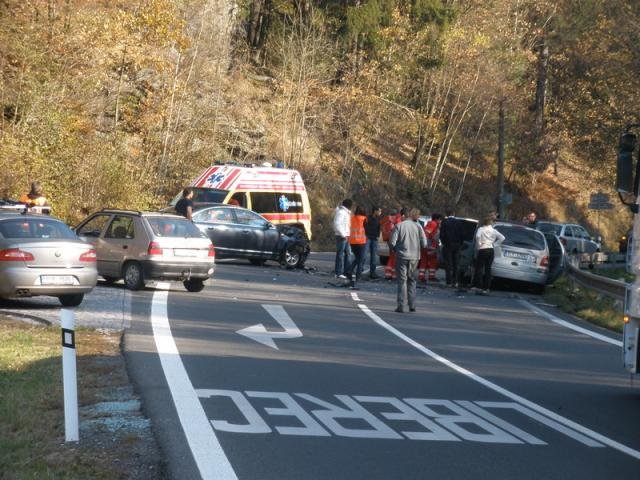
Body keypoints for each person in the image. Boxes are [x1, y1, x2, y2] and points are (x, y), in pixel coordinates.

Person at [389, 208, 427, 313]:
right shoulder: (418, 226)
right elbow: (424, 243)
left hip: (402, 256)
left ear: (403, 216)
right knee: (412, 280)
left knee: (402, 281)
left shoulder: (399, 226)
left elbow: (392, 242)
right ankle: (412, 305)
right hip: (415, 257)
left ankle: (400, 305)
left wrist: (396, 250)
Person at [473, 214, 505, 295]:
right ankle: (486, 287)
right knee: (488, 269)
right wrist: (495, 244)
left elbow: (477, 237)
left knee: (479, 268)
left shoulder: (481, 229)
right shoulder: (494, 230)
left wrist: (478, 245)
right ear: (491, 223)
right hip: (491, 249)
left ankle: (478, 286)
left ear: (484, 222)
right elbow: (502, 237)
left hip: (483, 248)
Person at [439, 208, 464, 287]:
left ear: (447, 214)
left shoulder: (445, 222)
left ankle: (449, 282)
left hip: (448, 245)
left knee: (448, 264)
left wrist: (443, 242)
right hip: (457, 245)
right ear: (454, 213)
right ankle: (455, 281)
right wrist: (460, 243)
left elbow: (442, 234)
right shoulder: (459, 222)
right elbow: (463, 234)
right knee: (456, 264)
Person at [347, 205, 367, 287]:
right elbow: (367, 229)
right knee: (361, 259)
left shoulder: (351, 218)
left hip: (352, 241)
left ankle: (350, 270)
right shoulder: (364, 219)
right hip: (361, 241)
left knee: (358, 258)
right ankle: (358, 276)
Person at [419, 213, 442, 282]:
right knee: (430, 261)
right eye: (440, 219)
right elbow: (427, 235)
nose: (441, 221)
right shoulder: (433, 224)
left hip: (428, 246)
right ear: (437, 219)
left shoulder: (433, 224)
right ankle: (428, 276)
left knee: (427, 261)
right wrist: (429, 246)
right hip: (429, 246)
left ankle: (423, 276)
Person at [333, 198, 353, 279]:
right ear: (349, 205)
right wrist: (343, 234)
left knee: (348, 254)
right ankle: (338, 272)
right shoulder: (341, 212)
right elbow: (337, 224)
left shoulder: (345, 212)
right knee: (340, 254)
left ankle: (347, 271)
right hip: (341, 236)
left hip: (346, 235)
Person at [364, 206, 382, 279]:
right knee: (364, 255)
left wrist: (378, 236)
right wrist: (366, 235)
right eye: (379, 211)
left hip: (374, 239)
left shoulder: (378, 219)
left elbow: (378, 228)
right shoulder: (367, 218)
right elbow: (364, 227)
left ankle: (373, 273)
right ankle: (359, 271)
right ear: (375, 211)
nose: (380, 213)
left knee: (374, 257)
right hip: (368, 238)